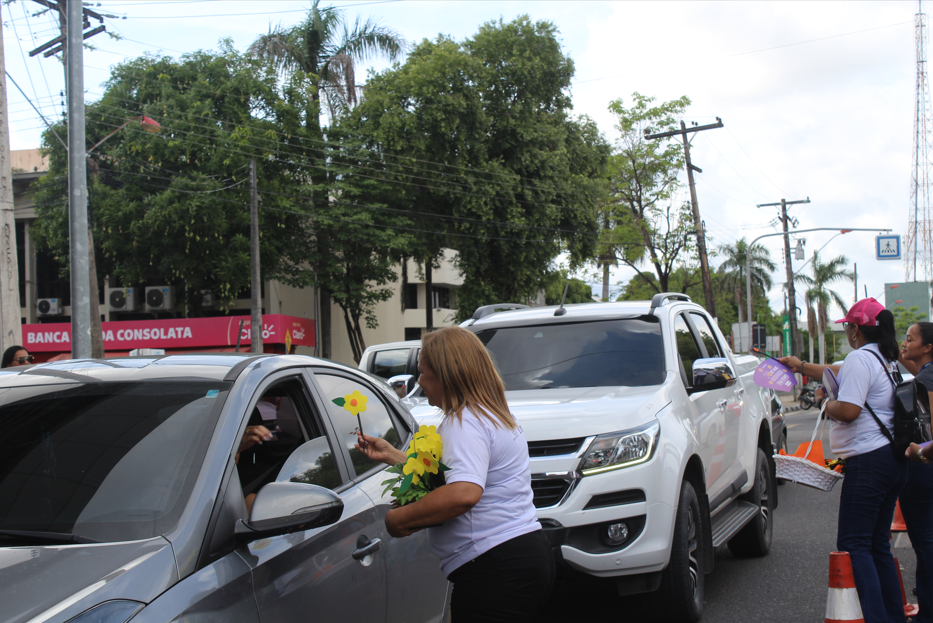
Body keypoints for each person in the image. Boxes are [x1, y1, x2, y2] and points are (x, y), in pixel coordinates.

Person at [356, 326, 554, 622]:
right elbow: (459, 474)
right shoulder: (491, 413)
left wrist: (398, 518)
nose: (420, 383)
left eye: (424, 373)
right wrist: (396, 457)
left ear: (447, 376)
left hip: (493, 567)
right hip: (523, 554)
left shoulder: (464, 421)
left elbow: (463, 493)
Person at [780, 298, 906, 623]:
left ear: (854, 330)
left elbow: (849, 411)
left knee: (853, 544)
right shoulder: (884, 358)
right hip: (890, 459)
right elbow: (835, 371)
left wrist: (825, 400)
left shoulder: (860, 358)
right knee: (877, 544)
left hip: (868, 463)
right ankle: (891, 615)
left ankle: (877, 618)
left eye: (847, 326)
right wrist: (801, 366)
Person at [899, 321, 933, 623]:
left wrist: (918, 452)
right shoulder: (921, 375)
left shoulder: (928, 377)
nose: (904, 343)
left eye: (910, 339)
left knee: (926, 546)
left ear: (928, 347)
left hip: (924, 471)